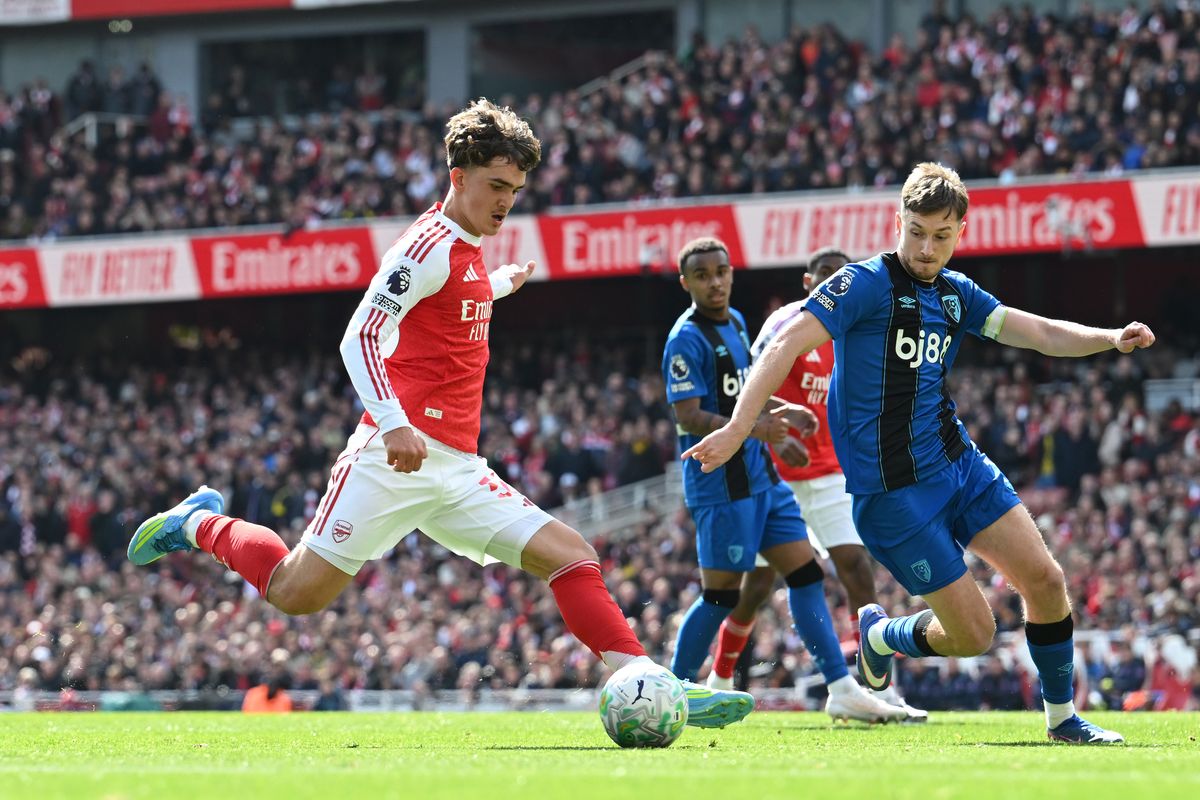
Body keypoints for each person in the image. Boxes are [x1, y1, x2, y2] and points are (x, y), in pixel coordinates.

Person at [128, 98, 752, 730]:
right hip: (392, 458)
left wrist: (499, 284)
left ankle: (653, 683)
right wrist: (393, 421)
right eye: (497, 186)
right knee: (296, 593)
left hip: (457, 466)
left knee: (570, 553)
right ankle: (199, 521)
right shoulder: (423, 247)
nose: (507, 201)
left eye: (516, 190)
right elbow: (359, 336)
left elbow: (453, 303)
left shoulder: (470, 245)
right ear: (458, 177)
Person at [682, 163, 1155, 744]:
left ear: (960, 232)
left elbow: (1038, 333)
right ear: (897, 222)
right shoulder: (861, 284)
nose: (927, 249)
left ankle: (1062, 721)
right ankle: (882, 636)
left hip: (959, 466)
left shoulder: (957, 295)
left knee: (1047, 580)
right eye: (916, 232)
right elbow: (784, 344)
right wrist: (738, 428)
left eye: (941, 236)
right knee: (975, 635)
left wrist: (1109, 338)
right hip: (892, 497)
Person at [662, 236, 906, 723]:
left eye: (721, 272)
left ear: (732, 273)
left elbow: (747, 391)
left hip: (763, 477)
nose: (715, 283)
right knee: (724, 595)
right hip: (721, 481)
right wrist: (761, 429)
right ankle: (674, 689)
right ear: (686, 283)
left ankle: (842, 688)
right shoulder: (685, 340)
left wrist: (785, 410)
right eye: (703, 276)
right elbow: (688, 415)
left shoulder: (735, 322)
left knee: (806, 573)